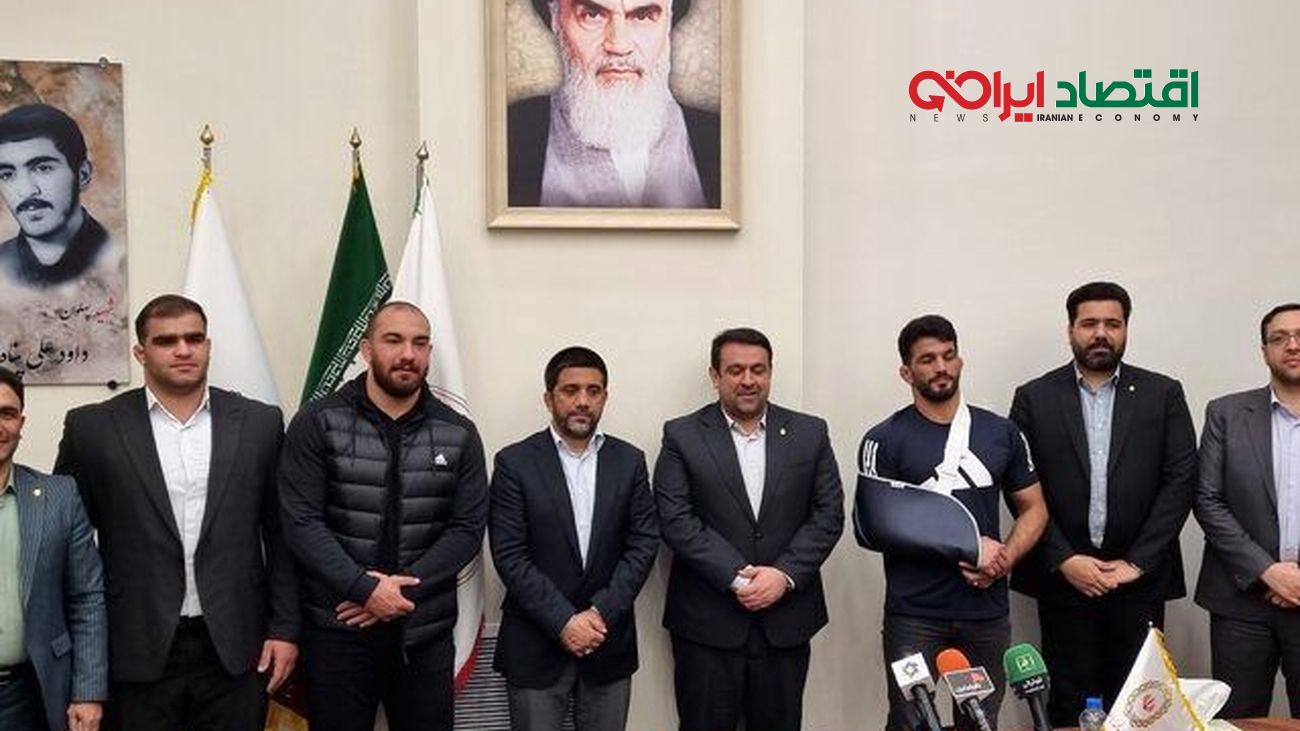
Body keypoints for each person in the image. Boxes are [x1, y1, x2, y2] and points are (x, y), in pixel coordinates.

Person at [54, 295, 298, 731]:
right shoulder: (92, 428)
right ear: (140, 352)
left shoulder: (259, 423)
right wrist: (83, 659)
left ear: (208, 345)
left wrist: (285, 629)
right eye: (166, 341)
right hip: (134, 646)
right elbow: (68, 544)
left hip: (237, 647)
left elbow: (281, 535)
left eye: (194, 338)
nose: (183, 350)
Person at [279, 301, 488, 731]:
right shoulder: (318, 421)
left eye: (420, 343)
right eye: (393, 340)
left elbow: (466, 529)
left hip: (423, 635)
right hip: (338, 633)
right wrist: (364, 588)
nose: (408, 353)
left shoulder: (459, 432)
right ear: (366, 349)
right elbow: (301, 521)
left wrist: (396, 593)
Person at [1009, 281, 1197, 725]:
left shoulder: (1163, 394)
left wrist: (1137, 563)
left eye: (1112, 324)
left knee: (1140, 708)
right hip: (1064, 581)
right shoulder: (1034, 397)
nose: (1100, 333)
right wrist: (1064, 558)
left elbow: (1181, 481)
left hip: (1139, 583)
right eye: (1089, 323)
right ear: (1070, 330)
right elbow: (1020, 488)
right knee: (1068, 705)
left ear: (1126, 329)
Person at [856, 315, 1047, 731]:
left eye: (949, 356)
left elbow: (1034, 508)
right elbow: (872, 526)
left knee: (980, 723)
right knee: (910, 723)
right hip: (914, 613)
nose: (941, 367)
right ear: (906, 372)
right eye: (927, 360)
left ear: (960, 361)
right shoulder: (883, 439)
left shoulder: (1001, 432)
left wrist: (1004, 558)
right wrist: (971, 548)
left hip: (986, 612)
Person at [654, 327, 843, 731]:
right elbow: (675, 519)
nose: (748, 380)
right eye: (735, 370)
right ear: (715, 375)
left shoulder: (810, 433)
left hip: (786, 620)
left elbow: (828, 515)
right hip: (707, 624)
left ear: (770, 372)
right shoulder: (682, 435)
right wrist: (739, 579)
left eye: (758, 369)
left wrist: (783, 575)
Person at [489, 346, 659, 731]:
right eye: (570, 390)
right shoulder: (514, 462)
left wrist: (599, 614)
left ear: (605, 397)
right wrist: (564, 621)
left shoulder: (629, 461)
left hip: (608, 641)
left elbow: (644, 543)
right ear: (549, 399)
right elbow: (509, 554)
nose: (583, 401)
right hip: (535, 644)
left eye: (593, 391)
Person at [508, 0, 720, 208]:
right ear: (556, 20)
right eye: (592, 15)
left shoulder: (720, 140)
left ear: (669, 20)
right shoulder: (508, 137)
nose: (619, 45)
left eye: (643, 16)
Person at [1195, 302, 1300, 717]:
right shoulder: (1226, 413)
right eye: (1279, 338)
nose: (1292, 345)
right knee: (1239, 721)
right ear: (1264, 351)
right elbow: (1207, 499)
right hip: (1241, 602)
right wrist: (1268, 571)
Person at [0, 366, 107, 731]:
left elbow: (86, 597)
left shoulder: (59, 496)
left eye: (7, 414)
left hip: (28, 695)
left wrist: (88, 693)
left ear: (21, 423)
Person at [0, 104, 109, 287]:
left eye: (43, 168)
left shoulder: (118, 257)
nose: (26, 191)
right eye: (7, 175)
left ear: (82, 174)